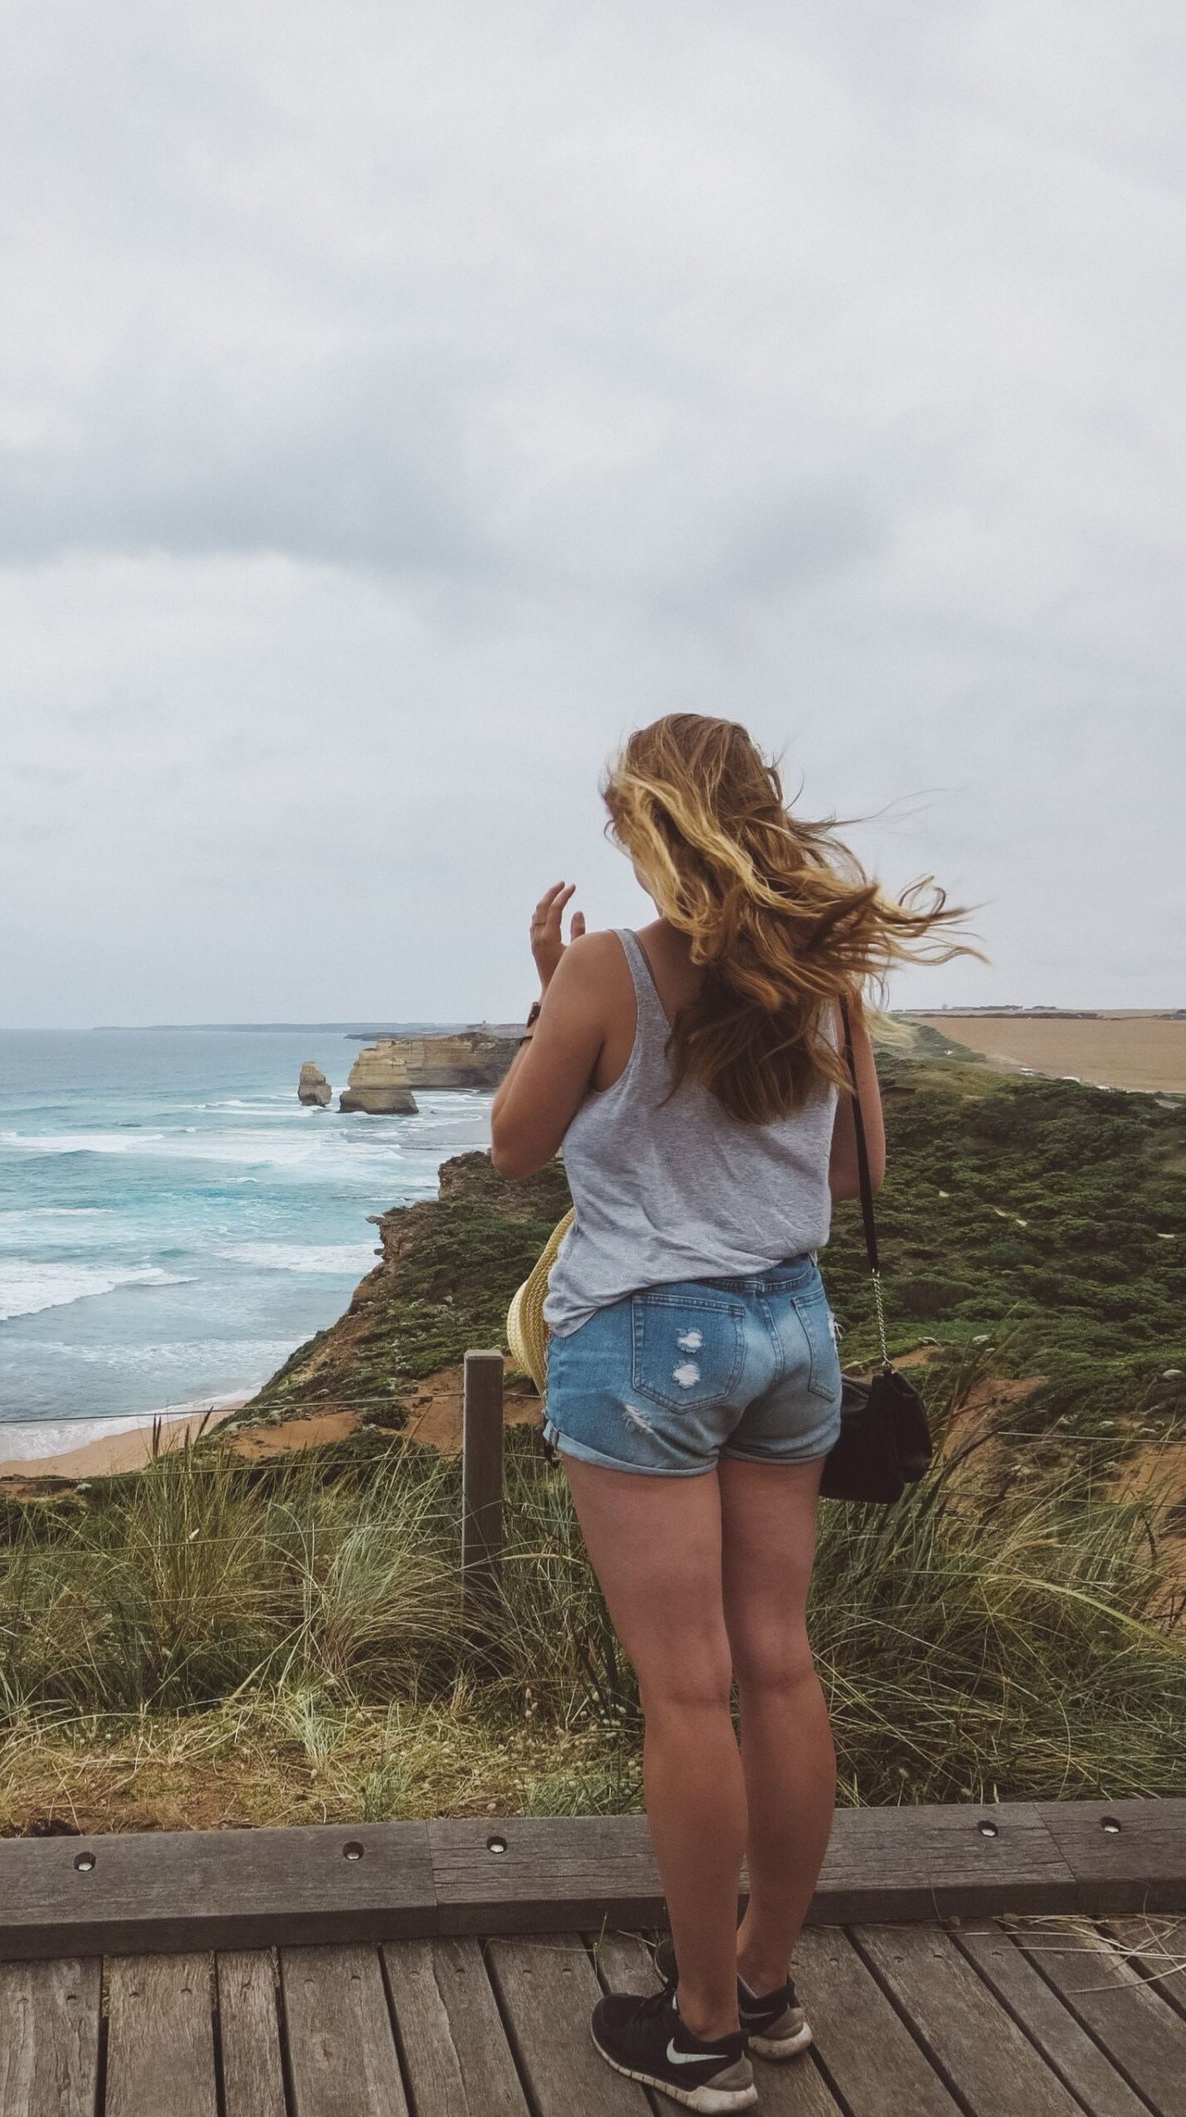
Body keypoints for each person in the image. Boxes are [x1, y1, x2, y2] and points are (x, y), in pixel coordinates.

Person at [488, 714, 971, 2114]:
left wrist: (554, 1005)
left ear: (652, 825)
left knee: (688, 1688)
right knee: (780, 1663)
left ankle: (698, 2034)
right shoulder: (828, 976)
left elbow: (516, 1143)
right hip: (792, 1333)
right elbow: (854, 1167)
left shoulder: (606, 968)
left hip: (647, 1340)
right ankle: (763, 1983)